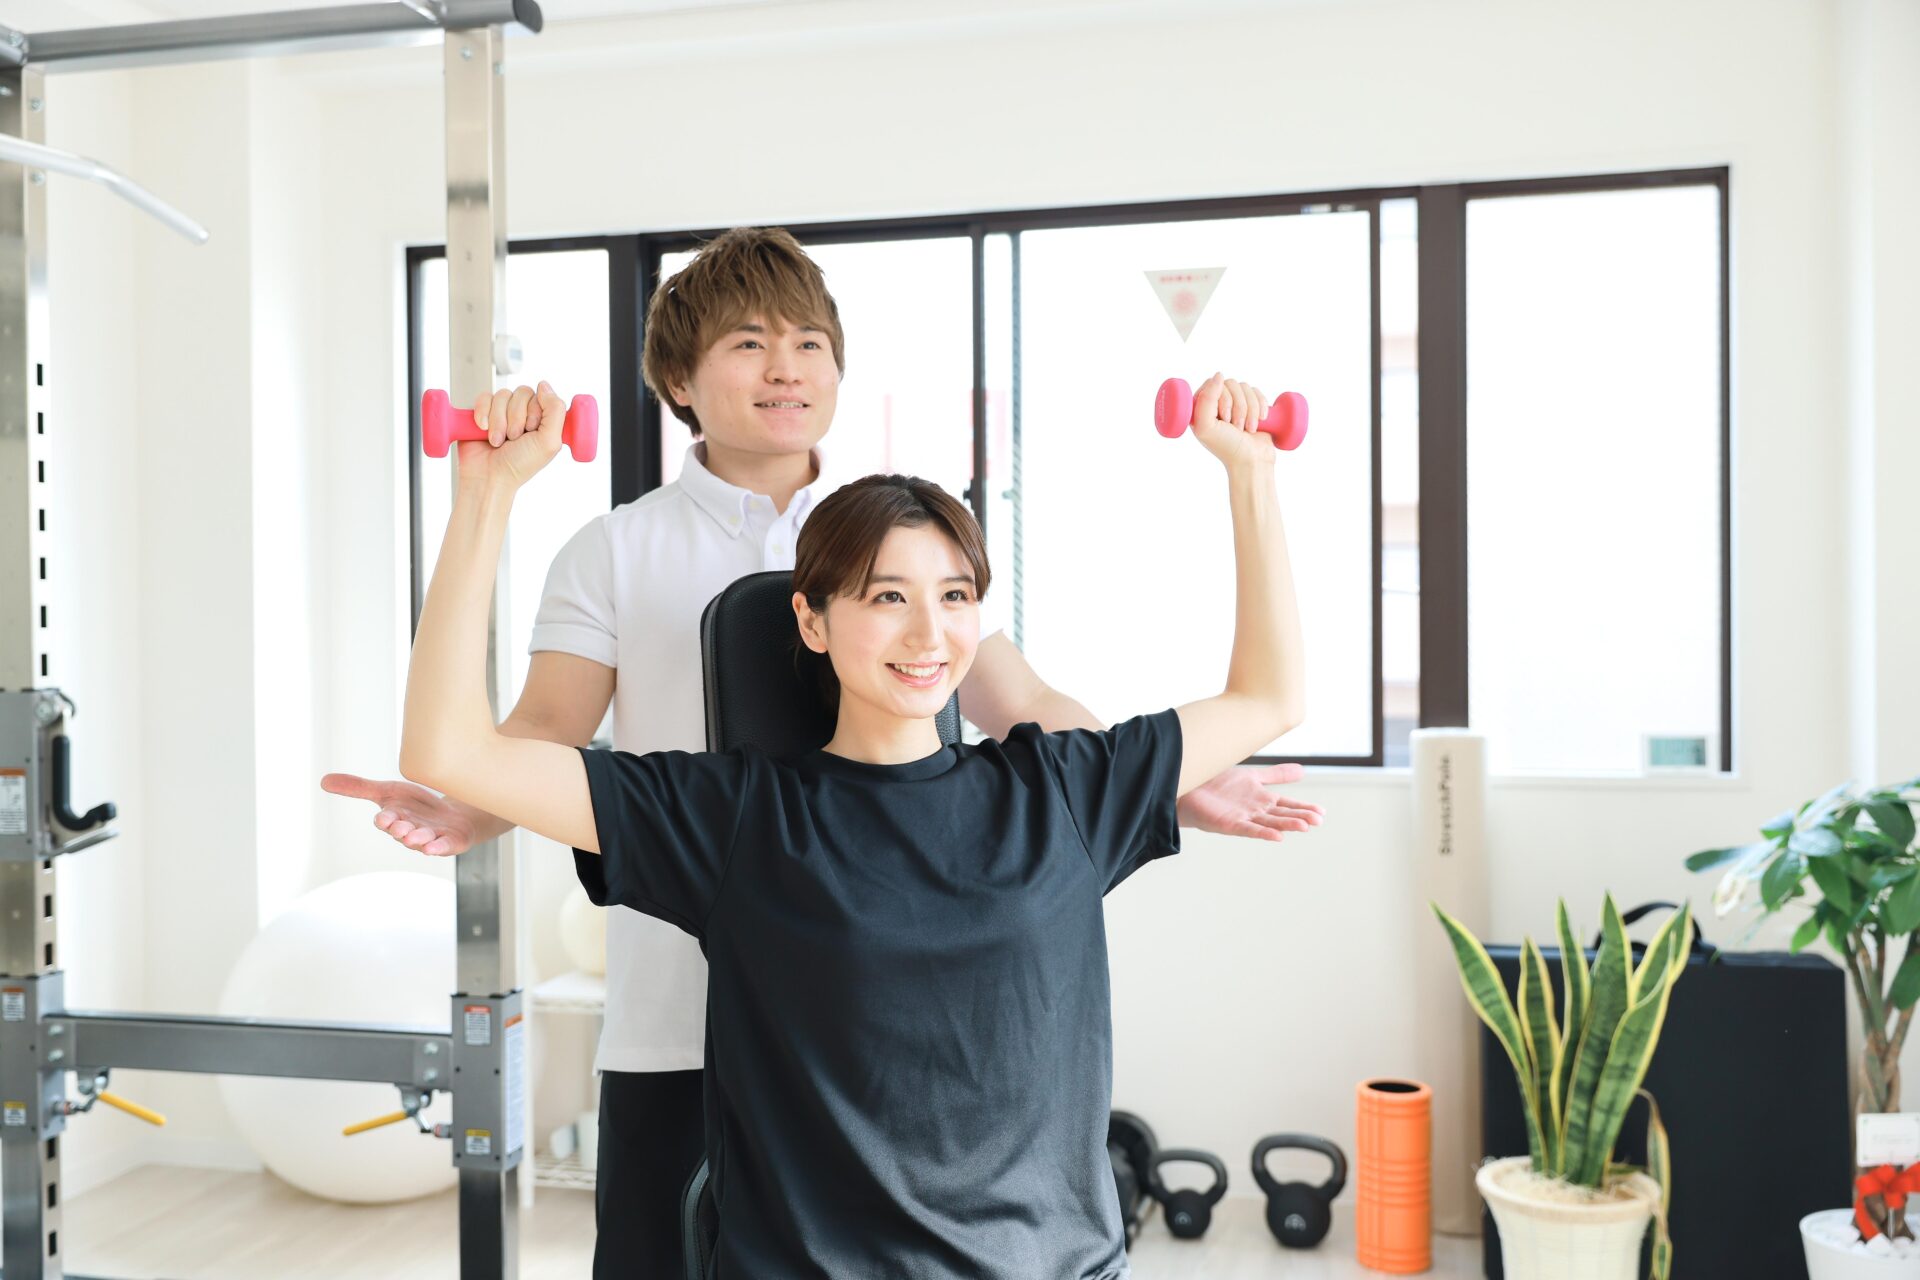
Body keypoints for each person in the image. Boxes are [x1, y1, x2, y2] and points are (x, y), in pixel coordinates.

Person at [325, 227, 1321, 1276]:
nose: (786, 366)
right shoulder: (618, 550)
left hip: (878, 986)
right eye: (749, 343)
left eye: (809, 341)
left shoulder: (890, 535)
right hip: (686, 992)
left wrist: (1160, 781)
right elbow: (534, 735)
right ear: (679, 377)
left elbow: (1027, 705)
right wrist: (472, 798)